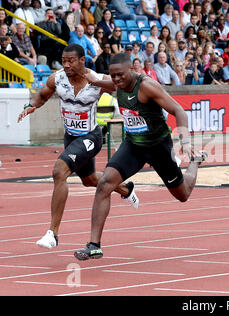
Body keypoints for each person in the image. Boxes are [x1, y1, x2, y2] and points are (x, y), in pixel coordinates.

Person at [73, 52, 207, 260]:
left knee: (183, 194)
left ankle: (196, 162)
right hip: (133, 145)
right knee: (105, 183)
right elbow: (96, 79)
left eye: (120, 75)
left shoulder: (147, 86)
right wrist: (78, 70)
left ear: (132, 70)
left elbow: (179, 110)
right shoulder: (116, 83)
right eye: (113, 76)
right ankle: (94, 245)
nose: (116, 80)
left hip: (158, 147)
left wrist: (186, 142)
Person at [17, 44, 139, 250]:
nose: (66, 65)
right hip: (71, 138)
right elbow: (44, 95)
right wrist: (31, 106)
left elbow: (125, 85)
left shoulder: (96, 79)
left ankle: (52, 233)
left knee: (59, 171)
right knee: (89, 180)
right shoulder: (57, 79)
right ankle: (126, 189)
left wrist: (99, 82)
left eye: (70, 61)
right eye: (63, 61)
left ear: (82, 60)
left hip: (91, 137)